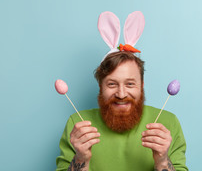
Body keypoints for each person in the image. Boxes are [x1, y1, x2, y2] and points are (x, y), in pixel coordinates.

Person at [56, 51, 188, 171]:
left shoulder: (168, 122)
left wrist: (162, 160)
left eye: (130, 84)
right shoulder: (78, 124)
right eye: (112, 84)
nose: (121, 94)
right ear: (100, 87)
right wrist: (80, 159)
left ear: (141, 86)